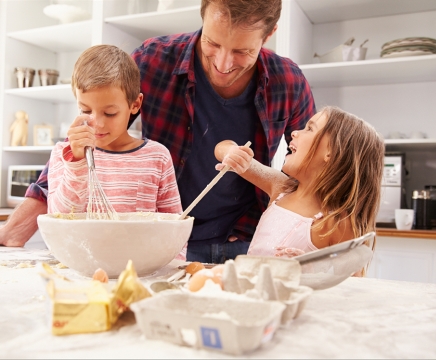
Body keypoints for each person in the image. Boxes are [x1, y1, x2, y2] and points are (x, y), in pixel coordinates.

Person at [0, 0, 316, 264]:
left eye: (242, 51)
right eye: (213, 42)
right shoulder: (152, 61)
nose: (222, 63)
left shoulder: (288, 82)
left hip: (242, 241)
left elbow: (313, 176)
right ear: (203, 13)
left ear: (270, 33)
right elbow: (85, 138)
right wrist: (13, 234)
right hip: (158, 243)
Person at [214, 106, 384, 263]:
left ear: (331, 152)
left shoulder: (337, 223)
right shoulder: (281, 188)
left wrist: (312, 268)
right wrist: (231, 152)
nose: (295, 132)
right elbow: (222, 148)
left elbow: (354, 285)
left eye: (309, 129)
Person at [47, 44, 182, 218]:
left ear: (135, 105)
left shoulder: (157, 157)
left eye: (110, 113)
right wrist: (77, 164)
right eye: (86, 111)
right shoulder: (64, 154)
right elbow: (57, 220)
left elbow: (175, 228)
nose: (97, 124)